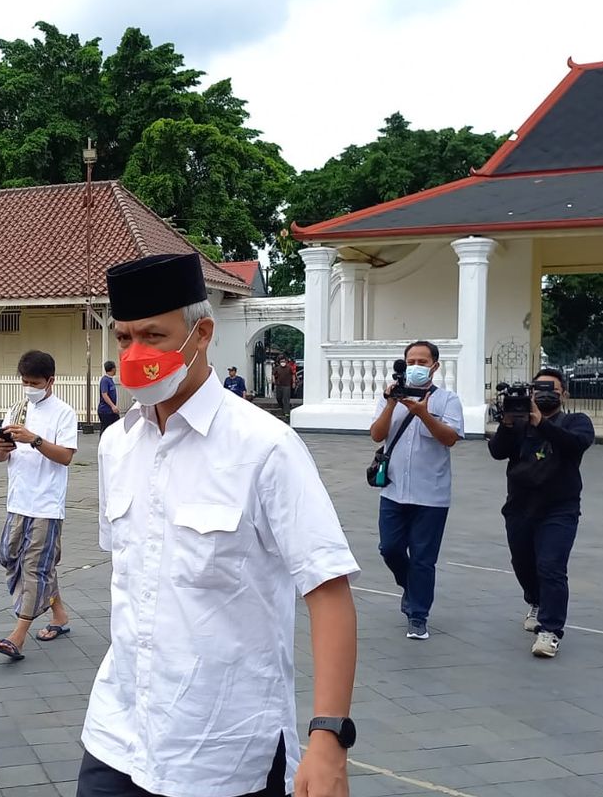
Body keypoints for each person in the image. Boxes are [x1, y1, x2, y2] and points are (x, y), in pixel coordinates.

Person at [78, 252, 361, 797]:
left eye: (155, 336)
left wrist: (329, 740)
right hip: (119, 731)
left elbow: (328, 591)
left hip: (223, 749)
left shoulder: (265, 447)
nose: (136, 355)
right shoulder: (117, 445)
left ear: (201, 333)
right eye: (123, 338)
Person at [488, 368, 595, 659]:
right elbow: (497, 452)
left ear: (564, 394)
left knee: (551, 565)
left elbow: (574, 444)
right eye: (539, 389)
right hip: (520, 507)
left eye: (552, 389)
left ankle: (549, 630)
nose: (544, 394)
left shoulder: (577, 422)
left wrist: (541, 423)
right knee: (523, 563)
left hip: (560, 509)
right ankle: (534, 599)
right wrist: (509, 424)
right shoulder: (519, 422)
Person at [368, 341, 463, 641]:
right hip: (394, 490)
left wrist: (423, 414)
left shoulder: (448, 400)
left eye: (423, 361)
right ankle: (411, 586)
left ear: (435, 366)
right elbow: (377, 435)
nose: (416, 366)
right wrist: (392, 403)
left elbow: (450, 438)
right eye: (411, 361)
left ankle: (418, 615)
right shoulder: (390, 397)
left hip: (431, 494)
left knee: (423, 557)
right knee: (390, 548)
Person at [0, 350, 79, 661]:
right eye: (25, 382)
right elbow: (3, 457)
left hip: (46, 504)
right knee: (9, 557)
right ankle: (59, 615)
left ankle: (18, 635)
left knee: (35, 567)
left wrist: (35, 439)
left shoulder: (64, 413)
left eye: (35, 382)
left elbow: (66, 456)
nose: (29, 387)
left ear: (50, 381)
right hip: (18, 500)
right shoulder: (16, 409)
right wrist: (2, 448)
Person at [98, 360, 121, 432]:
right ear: (113, 369)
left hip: (111, 411)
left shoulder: (110, 380)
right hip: (105, 410)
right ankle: (103, 443)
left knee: (116, 427)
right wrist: (113, 406)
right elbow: (104, 394)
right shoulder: (105, 380)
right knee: (106, 429)